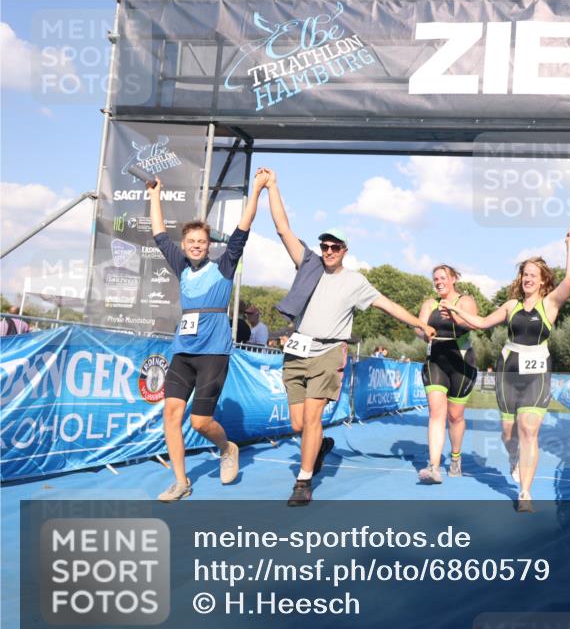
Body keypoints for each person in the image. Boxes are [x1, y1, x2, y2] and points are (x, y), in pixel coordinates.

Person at [266, 169, 436, 506]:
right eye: (324, 245)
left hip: (328, 353)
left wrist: (420, 323)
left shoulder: (356, 281)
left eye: (334, 247)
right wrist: (272, 185)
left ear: (345, 250)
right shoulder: (308, 264)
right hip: (298, 351)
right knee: (299, 425)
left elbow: (388, 305)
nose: (328, 251)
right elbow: (283, 228)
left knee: (312, 418)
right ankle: (320, 446)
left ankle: (303, 481)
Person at [148, 168, 268, 501]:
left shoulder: (224, 266)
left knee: (200, 422)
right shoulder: (181, 267)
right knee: (171, 415)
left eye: (201, 241)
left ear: (209, 244)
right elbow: (159, 235)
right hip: (183, 352)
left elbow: (243, 229)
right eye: (191, 242)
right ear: (184, 246)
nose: (196, 246)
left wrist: (257, 189)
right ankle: (181, 482)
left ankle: (227, 448)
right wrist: (155, 196)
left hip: (213, 353)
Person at [443, 229, 570, 512]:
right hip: (508, 372)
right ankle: (514, 457)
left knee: (528, 429)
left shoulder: (550, 304)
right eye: (524, 274)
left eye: (533, 275)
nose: (528, 278)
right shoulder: (511, 306)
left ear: (543, 280)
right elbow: (481, 323)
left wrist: (569, 245)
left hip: (537, 374)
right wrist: (455, 311)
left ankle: (525, 493)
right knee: (508, 434)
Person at [414, 265, 478, 484]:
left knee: (455, 416)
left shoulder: (465, 301)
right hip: (435, 361)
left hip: (461, 362)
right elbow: (418, 328)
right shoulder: (429, 304)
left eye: (442, 278)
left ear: (453, 279)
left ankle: (456, 458)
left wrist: (454, 317)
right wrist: (424, 333)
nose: (438, 282)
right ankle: (434, 466)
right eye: (435, 279)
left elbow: (474, 323)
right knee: (436, 412)